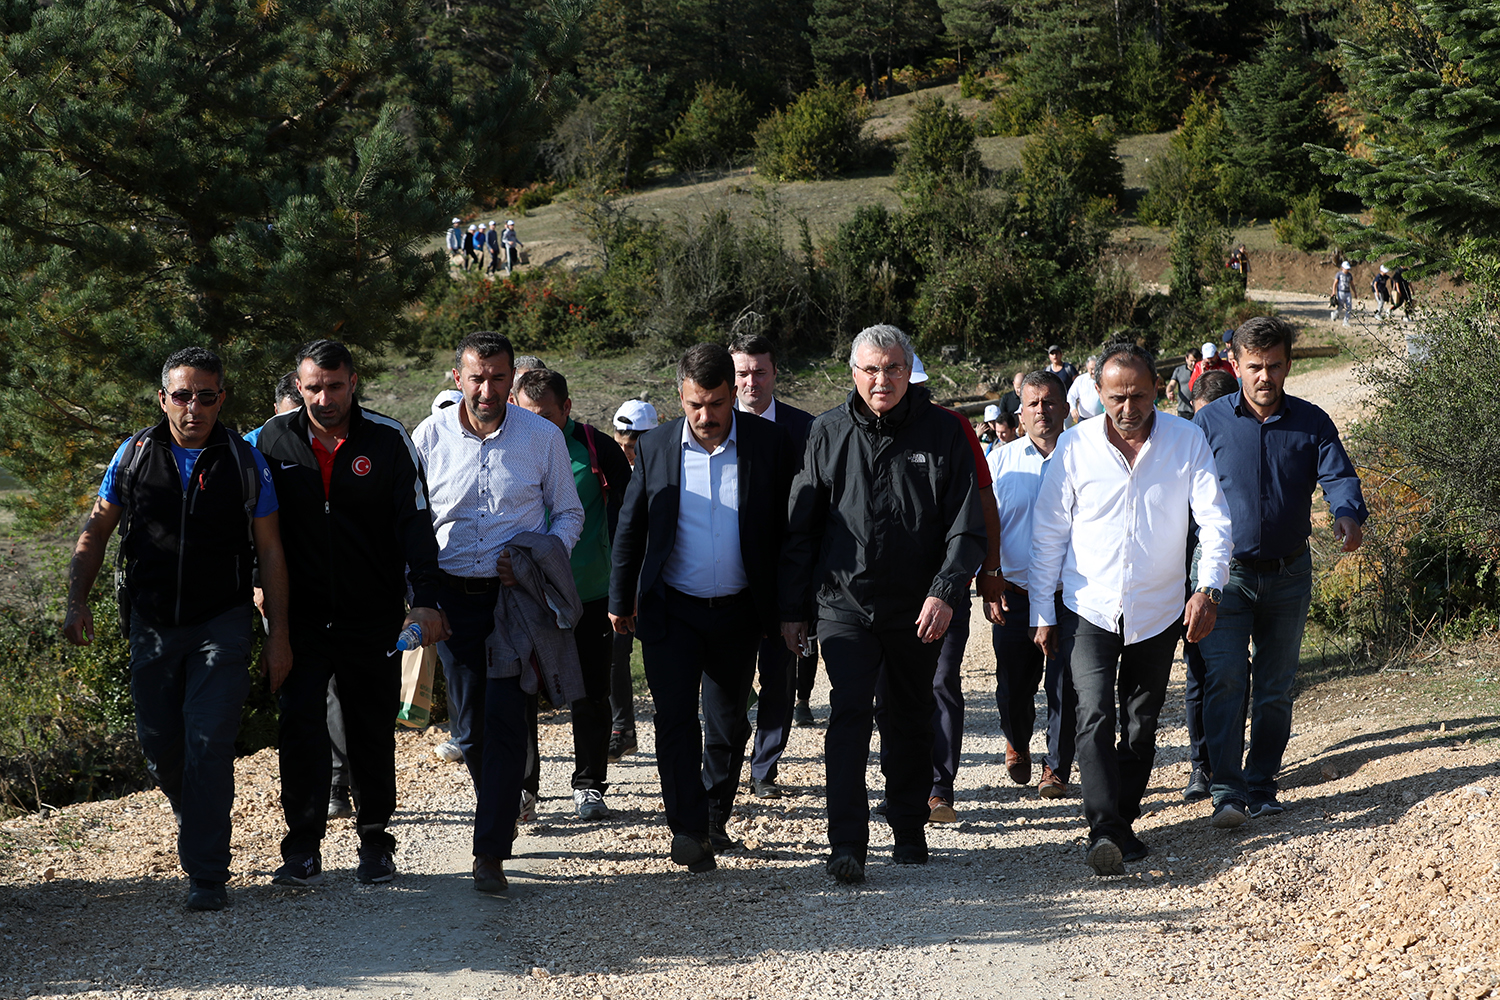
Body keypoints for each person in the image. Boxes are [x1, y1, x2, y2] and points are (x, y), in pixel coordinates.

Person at [62, 347, 290, 912]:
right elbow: (95, 531)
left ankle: (207, 873)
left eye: (206, 396)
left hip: (224, 621)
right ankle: (199, 814)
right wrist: (76, 601)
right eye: (183, 395)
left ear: (221, 398)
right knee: (161, 747)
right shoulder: (135, 455)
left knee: (209, 743)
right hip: (153, 624)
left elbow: (271, 550)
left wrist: (278, 633)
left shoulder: (243, 460)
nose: (194, 407)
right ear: (163, 399)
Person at [780, 324, 985, 884]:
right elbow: (802, 528)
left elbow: (966, 528)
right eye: (870, 369)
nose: (881, 380)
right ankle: (846, 841)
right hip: (843, 605)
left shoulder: (943, 431)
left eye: (893, 368)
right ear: (853, 372)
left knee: (910, 716)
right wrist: (794, 609)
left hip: (917, 607)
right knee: (847, 715)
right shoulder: (826, 432)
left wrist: (945, 591)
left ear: (909, 370)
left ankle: (908, 826)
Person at [1029, 342, 1232, 876]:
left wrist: (1207, 588)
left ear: (1158, 389)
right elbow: (1047, 533)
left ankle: (1122, 819)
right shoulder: (1074, 449)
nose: (1127, 407)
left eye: (1138, 395)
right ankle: (1104, 828)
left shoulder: (1186, 442)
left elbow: (1214, 521)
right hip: (1087, 606)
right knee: (1092, 712)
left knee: (1141, 724)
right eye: (1116, 396)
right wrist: (1042, 613)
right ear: (1097, 393)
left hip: (1159, 608)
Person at [257, 339, 449, 889]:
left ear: (353, 382)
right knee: (300, 730)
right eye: (313, 387)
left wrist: (427, 599)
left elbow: (417, 524)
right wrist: (256, 588)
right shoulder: (268, 442)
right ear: (299, 386)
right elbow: (253, 529)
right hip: (299, 619)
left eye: (335, 386)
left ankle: (375, 841)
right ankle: (301, 848)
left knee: (369, 730)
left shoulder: (388, 440)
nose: (324, 398)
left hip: (372, 617)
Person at [608, 343, 795, 873]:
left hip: (739, 610)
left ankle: (715, 812)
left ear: (733, 394)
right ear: (679, 397)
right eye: (695, 404)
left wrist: (789, 605)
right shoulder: (658, 447)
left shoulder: (768, 443)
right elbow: (631, 526)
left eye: (716, 404)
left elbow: (787, 532)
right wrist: (622, 599)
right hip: (673, 608)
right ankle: (687, 828)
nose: (706, 417)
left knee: (728, 718)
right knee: (673, 719)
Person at [412, 331, 584, 893]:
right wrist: (421, 596)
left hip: (515, 604)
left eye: (498, 377)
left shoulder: (541, 437)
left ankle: (489, 850)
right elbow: (412, 523)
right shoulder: (428, 437)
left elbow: (569, 515)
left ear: (512, 379)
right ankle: (499, 813)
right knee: (470, 728)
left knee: (509, 720)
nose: (487, 389)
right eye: (477, 377)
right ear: (457, 377)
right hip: (452, 601)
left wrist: (535, 561)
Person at [1194, 316, 1368, 828]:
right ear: (1236, 366)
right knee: (1225, 677)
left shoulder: (1312, 422)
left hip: (1290, 573)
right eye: (1254, 367)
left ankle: (1262, 783)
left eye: (1273, 366)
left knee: (1274, 685)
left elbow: (1338, 474)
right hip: (1226, 576)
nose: (1264, 377)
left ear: (1288, 365)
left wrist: (1348, 514)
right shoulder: (1209, 425)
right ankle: (1226, 792)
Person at [512, 368, 633, 819]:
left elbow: (627, 518)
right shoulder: (507, 442)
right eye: (525, 414)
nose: (536, 424)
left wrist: (625, 585)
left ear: (567, 408)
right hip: (525, 594)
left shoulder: (597, 447)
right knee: (521, 692)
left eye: (545, 415)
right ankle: (525, 789)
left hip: (589, 592)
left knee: (591, 692)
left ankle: (589, 784)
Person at [728, 334, 816, 801]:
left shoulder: (805, 428)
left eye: (759, 371)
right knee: (730, 676)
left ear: (775, 373)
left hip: (786, 575)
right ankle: (726, 754)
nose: (751, 382)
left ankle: (765, 766)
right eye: (742, 373)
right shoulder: (715, 426)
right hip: (729, 575)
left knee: (779, 675)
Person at [987, 370, 1074, 800]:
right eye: (1033, 403)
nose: (1042, 410)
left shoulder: (1084, 456)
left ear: (1065, 408)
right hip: (1014, 594)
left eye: (1049, 401)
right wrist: (988, 577)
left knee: (1066, 685)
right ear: (1020, 413)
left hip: (1070, 597)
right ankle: (1017, 739)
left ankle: (1056, 767)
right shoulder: (1000, 462)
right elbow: (986, 525)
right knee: (1013, 687)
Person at [1179, 368, 1241, 803]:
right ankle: (1202, 766)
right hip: (1192, 572)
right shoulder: (1182, 446)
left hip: (1241, 568)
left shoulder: (1239, 441)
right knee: (1199, 670)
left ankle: (1231, 764)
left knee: (1236, 672)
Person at [606, 397, 659, 761]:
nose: (627, 453)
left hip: (658, 579)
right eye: (621, 445)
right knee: (615, 653)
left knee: (666, 657)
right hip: (621, 578)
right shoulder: (608, 469)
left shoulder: (669, 466)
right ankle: (622, 729)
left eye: (633, 446)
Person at [1165, 347, 1201, 420]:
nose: (1193, 364)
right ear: (1186, 359)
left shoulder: (1203, 370)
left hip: (1199, 409)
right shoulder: (1179, 370)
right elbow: (1172, 384)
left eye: (1196, 361)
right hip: (1184, 410)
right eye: (1191, 361)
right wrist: (1169, 391)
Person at [1067, 355, 1102, 423]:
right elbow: (1071, 395)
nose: (1094, 372)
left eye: (1095, 369)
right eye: (1091, 369)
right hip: (1083, 419)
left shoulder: (1103, 379)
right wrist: (1073, 408)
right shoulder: (1080, 380)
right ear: (1087, 368)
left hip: (1100, 419)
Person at [1332, 260, 1354, 326]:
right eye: (1346, 268)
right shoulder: (1339, 274)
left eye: (1348, 269)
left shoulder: (1350, 275)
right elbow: (1335, 283)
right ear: (1342, 267)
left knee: (1349, 307)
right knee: (1341, 306)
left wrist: (1355, 292)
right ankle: (1335, 314)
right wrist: (1334, 292)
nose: (1347, 270)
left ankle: (1345, 321)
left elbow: (1352, 284)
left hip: (1348, 292)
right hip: (1340, 292)